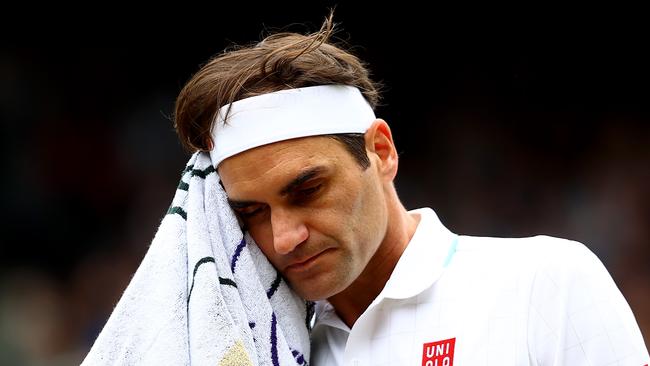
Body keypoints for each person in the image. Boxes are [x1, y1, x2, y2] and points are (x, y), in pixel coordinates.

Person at [172, 14, 649, 366]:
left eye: (307, 189)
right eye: (252, 212)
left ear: (381, 152)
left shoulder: (545, 283)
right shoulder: (253, 350)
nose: (283, 238)